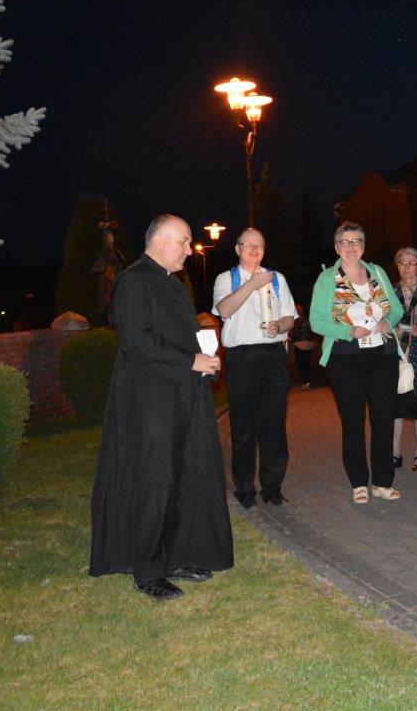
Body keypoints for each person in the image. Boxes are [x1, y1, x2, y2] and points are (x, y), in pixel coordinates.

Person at [90, 214, 233, 601]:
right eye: (183, 241)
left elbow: (180, 337)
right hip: (149, 400)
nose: (189, 249)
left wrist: (205, 358)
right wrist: (190, 361)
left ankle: (177, 556)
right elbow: (136, 340)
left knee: (183, 474)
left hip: (181, 395)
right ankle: (148, 571)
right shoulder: (133, 281)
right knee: (155, 479)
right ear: (159, 241)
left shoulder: (171, 284)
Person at [309, 222, 404, 504]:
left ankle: (383, 482)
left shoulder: (377, 272)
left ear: (363, 246)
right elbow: (316, 321)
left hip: (383, 357)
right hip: (345, 359)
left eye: (356, 241)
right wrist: (348, 330)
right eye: (345, 241)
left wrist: (388, 322)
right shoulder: (327, 278)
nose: (351, 247)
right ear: (336, 246)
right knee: (353, 422)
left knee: (384, 420)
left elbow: (396, 308)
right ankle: (359, 482)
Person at [211, 228, 297, 509]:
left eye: (259, 245)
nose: (254, 249)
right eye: (248, 244)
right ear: (237, 249)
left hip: (273, 356)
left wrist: (279, 326)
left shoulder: (277, 278)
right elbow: (224, 310)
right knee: (244, 426)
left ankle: (272, 488)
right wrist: (251, 284)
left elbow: (290, 318)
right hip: (242, 357)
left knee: (274, 425)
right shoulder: (226, 279)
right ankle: (245, 490)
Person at [391, 246, 417, 472]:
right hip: (396, 351)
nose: (406, 267)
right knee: (396, 403)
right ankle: (395, 452)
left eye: (411, 263)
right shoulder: (389, 291)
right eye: (401, 263)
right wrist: (390, 329)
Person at [290, 302, 316, 389]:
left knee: (301, 364)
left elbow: (293, 333)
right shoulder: (307, 319)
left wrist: (292, 343)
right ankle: (309, 382)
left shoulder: (295, 321)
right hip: (310, 345)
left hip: (300, 345)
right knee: (307, 363)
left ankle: (305, 383)